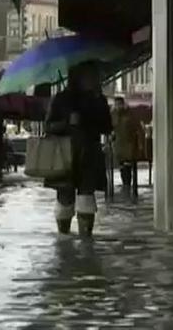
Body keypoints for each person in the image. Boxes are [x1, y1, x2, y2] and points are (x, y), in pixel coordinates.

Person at [45, 62, 113, 236]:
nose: (94, 79)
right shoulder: (61, 99)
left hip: (89, 154)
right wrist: (67, 123)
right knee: (65, 199)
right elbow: (49, 127)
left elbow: (107, 127)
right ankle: (64, 238)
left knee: (86, 198)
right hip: (64, 155)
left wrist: (91, 118)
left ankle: (86, 239)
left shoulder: (98, 100)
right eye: (90, 75)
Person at [111, 96, 141, 190]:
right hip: (117, 144)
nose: (118, 106)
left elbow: (137, 127)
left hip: (129, 144)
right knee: (122, 165)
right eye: (116, 104)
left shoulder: (130, 114)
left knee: (127, 165)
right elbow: (109, 127)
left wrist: (139, 143)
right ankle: (126, 185)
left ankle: (127, 185)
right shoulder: (112, 114)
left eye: (119, 104)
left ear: (123, 104)